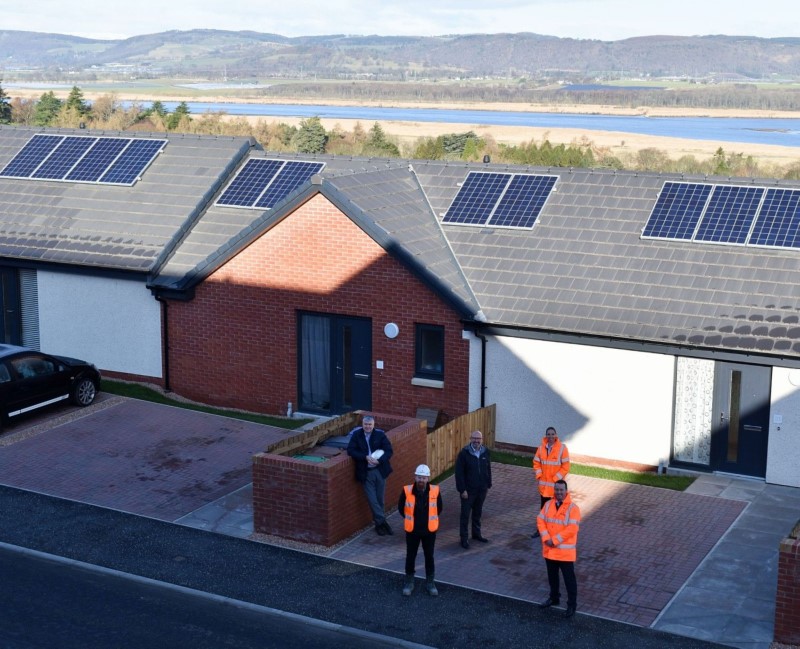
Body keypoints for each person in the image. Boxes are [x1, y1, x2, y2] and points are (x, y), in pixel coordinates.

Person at [537, 479, 581, 618]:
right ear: (554, 490)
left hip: (564, 553)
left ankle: (572, 605)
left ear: (566, 491)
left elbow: (572, 529)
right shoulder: (548, 504)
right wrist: (545, 538)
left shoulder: (573, 509)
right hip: (550, 551)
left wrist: (554, 540)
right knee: (552, 577)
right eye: (557, 490)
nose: (559, 492)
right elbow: (540, 520)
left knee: (569, 580)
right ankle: (554, 598)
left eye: (561, 490)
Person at [398, 464, 443, 597]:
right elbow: (401, 509)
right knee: (410, 556)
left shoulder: (435, 491)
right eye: (419, 477)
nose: (421, 480)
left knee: (429, 556)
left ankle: (430, 583)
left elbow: (439, 508)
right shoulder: (407, 490)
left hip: (429, 532)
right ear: (415, 477)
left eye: (423, 478)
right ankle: (409, 582)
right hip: (412, 531)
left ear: (428, 478)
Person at [347, 415, 394, 535]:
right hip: (366, 472)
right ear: (362, 425)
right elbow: (350, 450)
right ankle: (383, 523)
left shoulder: (380, 435)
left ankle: (379, 525)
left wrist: (380, 460)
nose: (367, 427)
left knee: (380, 499)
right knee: (372, 500)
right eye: (365, 424)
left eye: (370, 424)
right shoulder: (357, 435)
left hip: (380, 470)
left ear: (373, 425)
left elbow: (389, 450)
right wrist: (364, 457)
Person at [454, 429, 492, 549]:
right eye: (474, 438)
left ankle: (476, 534)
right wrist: (462, 490)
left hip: (482, 490)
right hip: (468, 491)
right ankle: (464, 539)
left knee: (477, 513)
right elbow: (459, 474)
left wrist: (488, 484)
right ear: (470, 439)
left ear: (482, 440)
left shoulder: (485, 452)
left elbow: (488, 468)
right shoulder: (464, 454)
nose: (476, 441)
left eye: (478, 438)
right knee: (465, 515)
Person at [531, 426, 570, 538]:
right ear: (546, 436)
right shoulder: (541, 448)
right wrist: (539, 475)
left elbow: (565, 466)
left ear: (556, 435)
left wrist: (555, 479)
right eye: (549, 434)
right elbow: (536, 463)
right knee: (543, 511)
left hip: (556, 488)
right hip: (544, 488)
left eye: (553, 434)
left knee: (556, 511)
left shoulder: (562, 448)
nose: (551, 436)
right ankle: (541, 530)